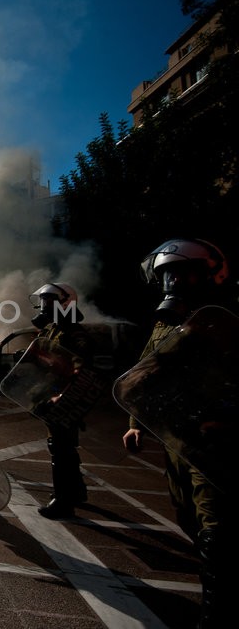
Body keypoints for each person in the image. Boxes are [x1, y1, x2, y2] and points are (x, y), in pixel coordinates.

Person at [121, 238, 237, 629]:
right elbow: (143, 375)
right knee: (188, 519)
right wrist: (135, 424)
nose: (172, 282)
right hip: (177, 442)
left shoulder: (226, 321)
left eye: (181, 273)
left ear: (209, 275)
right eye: (166, 274)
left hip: (216, 445)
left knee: (214, 532)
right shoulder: (165, 325)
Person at [28, 283, 95, 519]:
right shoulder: (51, 329)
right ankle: (76, 491)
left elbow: (81, 368)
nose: (44, 305)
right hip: (50, 395)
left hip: (64, 398)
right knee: (63, 446)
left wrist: (63, 396)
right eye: (43, 300)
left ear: (66, 302)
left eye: (50, 301)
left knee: (60, 448)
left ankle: (63, 501)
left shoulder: (74, 333)